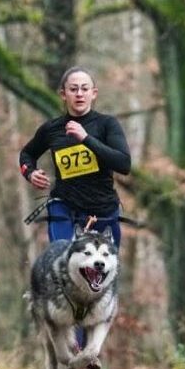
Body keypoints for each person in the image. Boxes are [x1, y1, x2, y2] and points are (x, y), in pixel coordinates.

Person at [18, 66, 132, 248]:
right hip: (64, 207)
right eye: (73, 89)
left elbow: (124, 164)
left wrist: (86, 139)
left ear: (93, 93)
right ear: (63, 94)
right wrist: (30, 172)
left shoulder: (107, 124)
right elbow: (27, 154)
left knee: (103, 271)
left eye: (84, 89)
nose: (79, 94)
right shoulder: (51, 129)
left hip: (103, 209)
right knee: (62, 257)